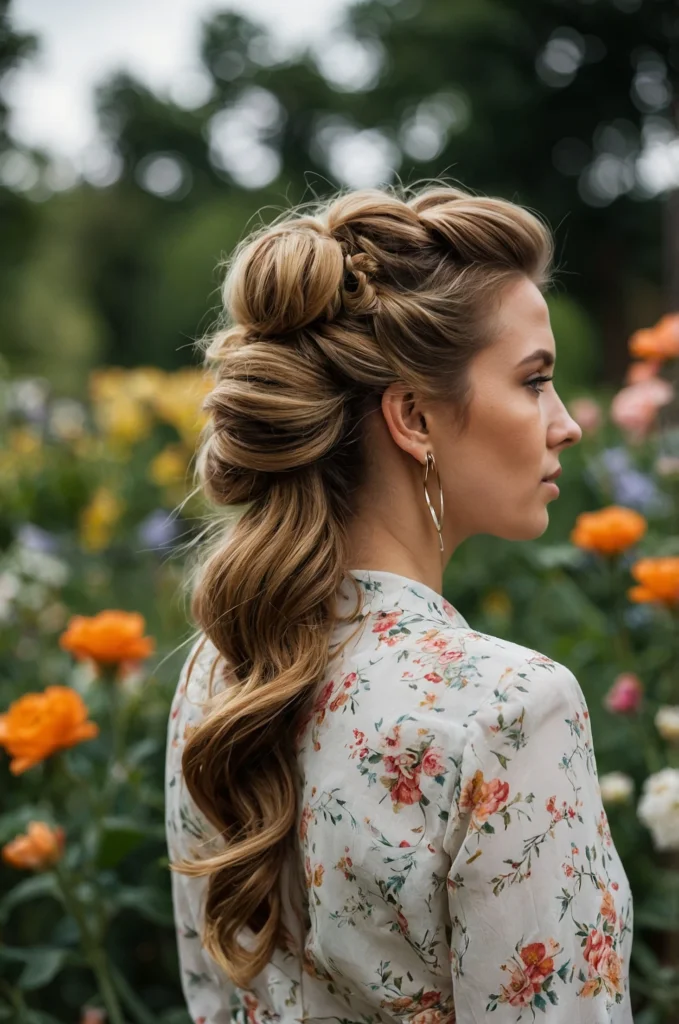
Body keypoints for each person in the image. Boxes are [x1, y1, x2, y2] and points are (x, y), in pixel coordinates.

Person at [164, 183, 634, 1024]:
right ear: (414, 417)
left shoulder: (223, 668)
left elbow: (214, 993)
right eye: (533, 382)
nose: (565, 424)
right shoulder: (512, 711)